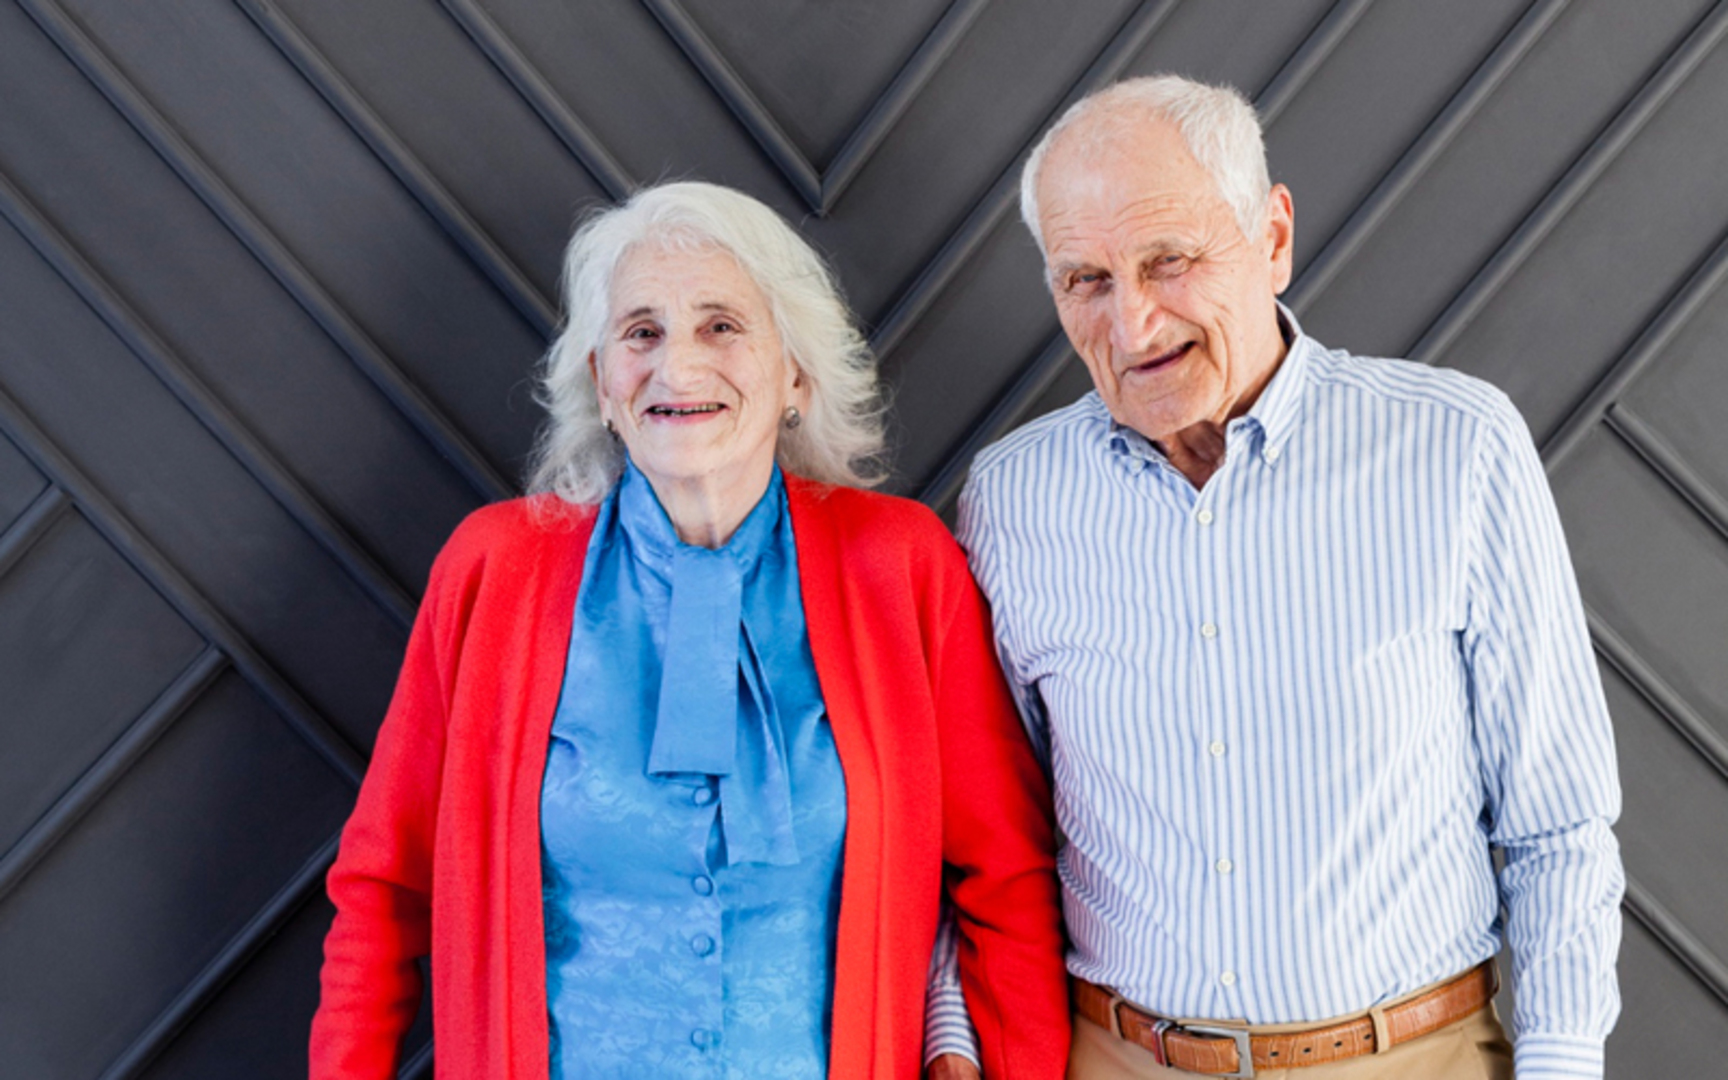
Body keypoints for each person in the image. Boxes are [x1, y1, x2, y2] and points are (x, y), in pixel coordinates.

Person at [309, 181, 1069, 1079]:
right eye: (641, 332)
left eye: (721, 326)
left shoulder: (902, 566)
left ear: (795, 373)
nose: (677, 368)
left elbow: (1005, 881)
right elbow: (383, 889)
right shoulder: (493, 569)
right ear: (601, 381)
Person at [945, 75, 1623, 1080]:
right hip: (1116, 1057)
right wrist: (955, 1041)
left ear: (1272, 238)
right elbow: (981, 838)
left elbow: (1558, 827)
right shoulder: (1010, 500)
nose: (1132, 325)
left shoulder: (1457, 447)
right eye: (1086, 280)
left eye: (1169, 261)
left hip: (1413, 1059)